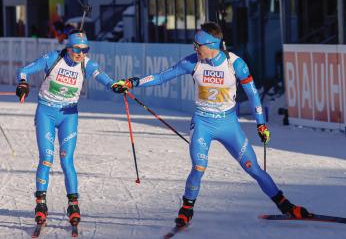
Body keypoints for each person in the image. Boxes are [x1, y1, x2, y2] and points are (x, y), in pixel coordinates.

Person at [112, 22, 311, 227]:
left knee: (253, 169)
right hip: (202, 123)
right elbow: (161, 76)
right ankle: (186, 210)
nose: (194, 48)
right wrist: (132, 82)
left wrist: (261, 124)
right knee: (199, 167)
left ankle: (287, 207)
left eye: (198, 44)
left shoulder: (236, 64)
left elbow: (253, 95)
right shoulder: (193, 62)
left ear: (212, 45)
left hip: (229, 125)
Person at [15, 29, 118, 227]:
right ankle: (41, 204)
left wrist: (114, 85)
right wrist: (23, 83)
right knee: (46, 159)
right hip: (46, 112)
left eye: (85, 50)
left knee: (66, 160)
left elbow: (102, 77)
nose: (81, 54)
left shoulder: (86, 64)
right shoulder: (53, 58)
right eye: (77, 50)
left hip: (68, 115)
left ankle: (73, 205)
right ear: (68, 48)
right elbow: (24, 70)